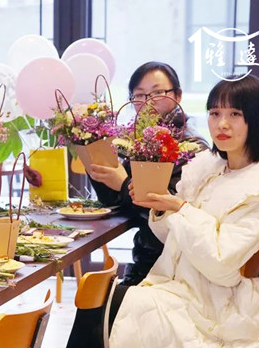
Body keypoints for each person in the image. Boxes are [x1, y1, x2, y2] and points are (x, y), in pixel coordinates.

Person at [66, 75, 259, 348]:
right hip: (179, 286)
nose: (222, 124)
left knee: (111, 305)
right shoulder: (210, 166)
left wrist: (181, 208)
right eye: (215, 113)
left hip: (221, 308)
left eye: (235, 114)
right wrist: (161, 207)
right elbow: (172, 237)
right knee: (103, 300)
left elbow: (221, 265)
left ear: (256, 119)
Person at [86, 61, 208, 285]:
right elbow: (118, 202)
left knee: (101, 299)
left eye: (157, 93)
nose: (148, 102)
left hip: (175, 265)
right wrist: (96, 163)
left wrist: (124, 184)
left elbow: (171, 212)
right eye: (139, 95)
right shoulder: (142, 142)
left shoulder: (190, 146)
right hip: (148, 259)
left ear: (178, 95)